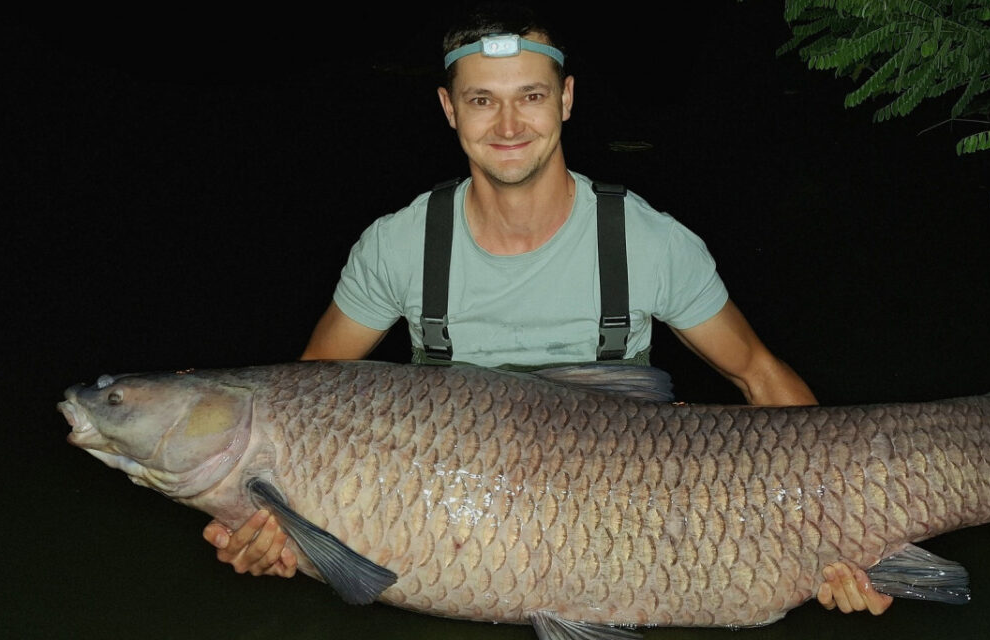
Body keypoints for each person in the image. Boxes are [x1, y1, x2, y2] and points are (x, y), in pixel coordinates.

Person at [202, 2, 892, 617]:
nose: (507, 124)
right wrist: (274, 525)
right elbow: (308, 392)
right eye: (481, 101)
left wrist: (843, 532)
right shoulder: (399, 246)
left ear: (565, 99)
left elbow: (759, 376)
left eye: (529, 96)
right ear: (449, 108)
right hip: (449, 560)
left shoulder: (648, 242)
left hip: (631, 537)